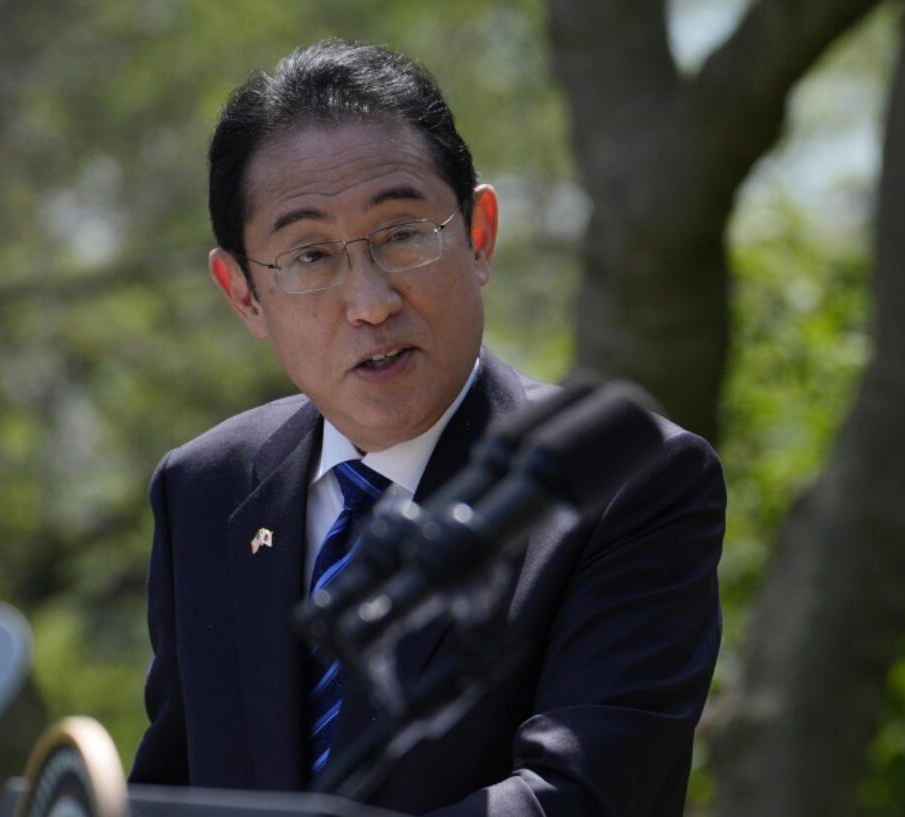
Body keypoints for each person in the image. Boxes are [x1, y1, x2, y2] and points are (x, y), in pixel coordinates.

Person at [129, 39, 725, 817]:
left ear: (477, 234)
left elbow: (582, 797)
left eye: (403, 233)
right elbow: (173, 788)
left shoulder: (623, 481)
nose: (370, 300)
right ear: (243, 294)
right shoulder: (206, 488)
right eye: (310, 254)